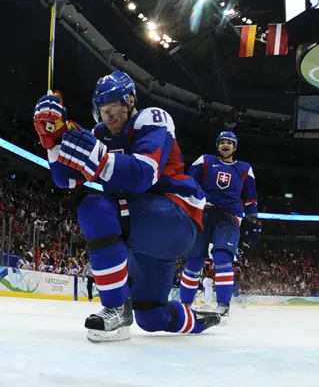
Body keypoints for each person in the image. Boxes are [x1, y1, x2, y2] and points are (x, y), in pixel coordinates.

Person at [32, 71, 220, 342]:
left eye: (113, 108)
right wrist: (53, 139)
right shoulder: (100, 134)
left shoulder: (153, 118)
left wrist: (90, 153)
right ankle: (200, 320)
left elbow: (142, 174)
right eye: (102, 110)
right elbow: (66, 179)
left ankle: (115, 308)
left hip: (176, 215)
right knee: (152, 316)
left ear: (130, 101)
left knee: (95, 209)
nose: (107, 116)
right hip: (145, 229)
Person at [178, 131, 261, 320]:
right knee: (194, 261)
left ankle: (223, 306)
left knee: (223, 258)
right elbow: (189, 185)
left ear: (235, 147)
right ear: (217, 146)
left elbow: (250, 199)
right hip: (204, 213)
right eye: (222, 142)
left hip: (229, 217)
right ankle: (185, 307)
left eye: (229, 143)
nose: (225, 145)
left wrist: (254, 221)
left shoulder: (244, 169)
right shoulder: (205, 161)